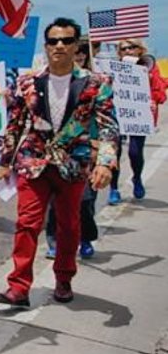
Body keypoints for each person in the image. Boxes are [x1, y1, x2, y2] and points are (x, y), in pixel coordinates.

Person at [0, 18, 118, 309]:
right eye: (53, 41)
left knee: (69, 226)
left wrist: (105, 163)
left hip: (72, 164)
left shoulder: (97, 84)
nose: (59, 46)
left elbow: (109, 126)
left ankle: (63, 279)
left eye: (66, 40)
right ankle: (18, 287)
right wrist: (4, 161)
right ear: (46, 46)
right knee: (26, 223)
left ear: (76, 46)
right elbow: (15, 125)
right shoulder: (27, 83)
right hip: (33, 161)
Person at [45, 40, 101, 259]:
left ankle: (85, 237)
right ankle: (54, 241)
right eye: (73, 53)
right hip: (53, 152)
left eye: (80, 54)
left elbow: (103, 120)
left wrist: (98, 147)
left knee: (85, 200)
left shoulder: (96, 84)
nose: (76, 58)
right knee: (54, 202)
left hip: (85, 151)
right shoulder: (48, 81)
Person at [107, 38, 166, 202]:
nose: (128, 51)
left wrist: (153, 100)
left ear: (140, 50)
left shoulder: (150, 68)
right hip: (116, 115)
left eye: (132, 47)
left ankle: (137, 178)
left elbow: (160, 91)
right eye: (123, 48)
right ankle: (113, 188)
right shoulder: (113, 68)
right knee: (114, 153)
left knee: (135, 152)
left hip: (139, 117)